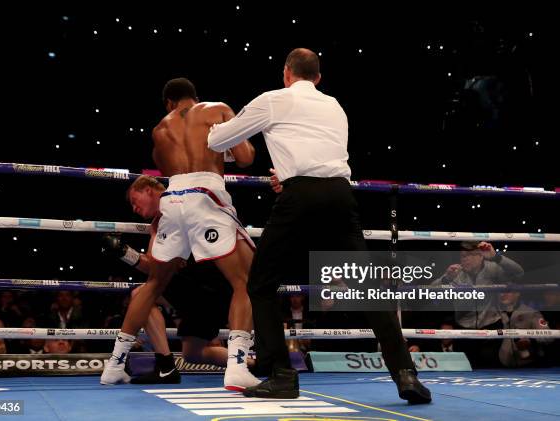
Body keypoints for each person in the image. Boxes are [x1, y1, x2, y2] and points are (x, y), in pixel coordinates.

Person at [207, 48, 431, 403]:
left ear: (286, 73)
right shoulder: (335, 105)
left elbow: (216, 140)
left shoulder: (273, 99)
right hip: (340, 197)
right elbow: (317, 152)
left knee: (261, 283)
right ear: (318, 78)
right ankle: (406, 375)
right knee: (367, 288)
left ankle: (281, 374)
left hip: (300, 197)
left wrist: (217, 120)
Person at [102, 78, 259, 391]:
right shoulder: (217, 110)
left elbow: (166, 165)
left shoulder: (160, 129)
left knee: (153, 284)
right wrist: (223, 148)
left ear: (168, 104)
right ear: (193, 97)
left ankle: (114, 365)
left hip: (172, 199)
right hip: (206, 196)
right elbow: (245, 157)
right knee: (246, 281)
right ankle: (238, 366)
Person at [101, 175, 252, 384]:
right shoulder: (159, 224)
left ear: (148, 190)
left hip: (211, 285)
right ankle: (250, 364)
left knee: (141, 294)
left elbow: (156, 273)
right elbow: (155, 267)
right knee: (193, 354)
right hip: (205, 294)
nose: (134, 208)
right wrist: (125, 253)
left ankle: (165, 366)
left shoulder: (177, 211)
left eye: (135, 201)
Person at [498, 291, 552, 367]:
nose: (503, 294)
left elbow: (548, 336)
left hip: (528, 365)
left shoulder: (531, 312)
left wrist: (530, 340)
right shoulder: (495, 313)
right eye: (500, 291)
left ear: (517, 293)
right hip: (500, 366)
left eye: (508, 291)